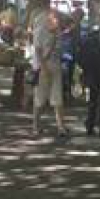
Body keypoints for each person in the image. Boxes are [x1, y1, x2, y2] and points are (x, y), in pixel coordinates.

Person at [32, 8, 68, 138]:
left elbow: (58, 50)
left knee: (57, 97)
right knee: (40, 98)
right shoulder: (40, 31)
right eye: (54, 18)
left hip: (55, 66)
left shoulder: (57, 33)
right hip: (42, 67)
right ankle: (36, 125)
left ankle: (61, 126)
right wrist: (43, 68)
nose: (56, 20)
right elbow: (38, 51)